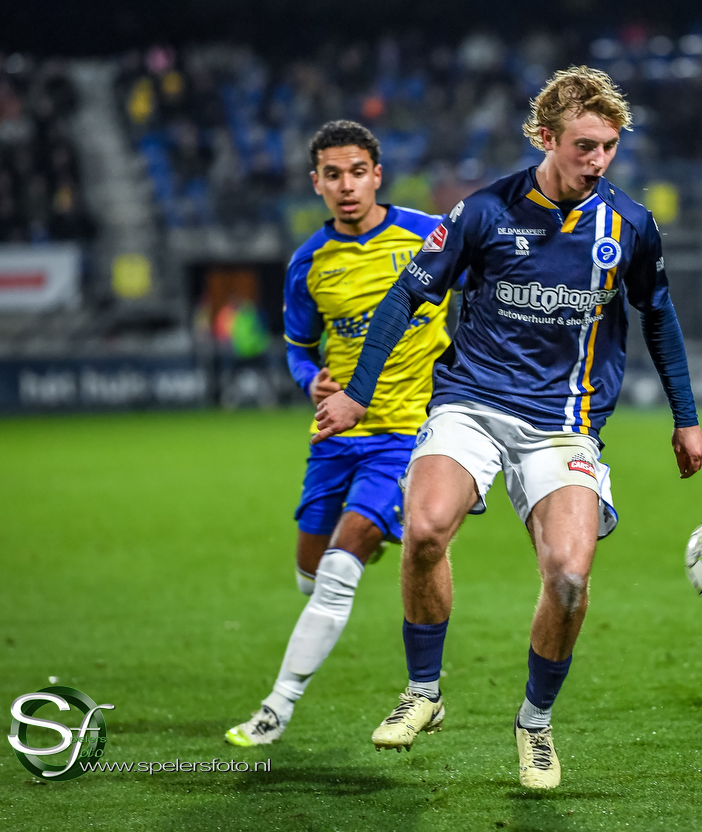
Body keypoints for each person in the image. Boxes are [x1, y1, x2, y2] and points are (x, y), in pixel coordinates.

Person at [313, 67, 702, 789]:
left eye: (609, 146)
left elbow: (660, 316)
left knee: (570, 580)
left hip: (564, 425)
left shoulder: (630, 226)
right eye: (584, 146)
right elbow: (405, 296)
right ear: (546, 137)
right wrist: (359, 396)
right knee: (424, 530)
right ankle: (424, 693)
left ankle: (534, 722)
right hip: (472, 403)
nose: (598, 160)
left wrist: (686, 417)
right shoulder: (484, 212)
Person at [224, 120, 451, 746]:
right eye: (333, 175)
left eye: (357, 172)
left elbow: (486, 288)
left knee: (336, 573)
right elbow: (299, 347)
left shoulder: (427, 236)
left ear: (377, 175)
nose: (346, 186)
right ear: (316, 183)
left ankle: (276, 709)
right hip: (335, 435)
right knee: (309, 573)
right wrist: (309, 381)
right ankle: (371, 532)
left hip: (407, 434)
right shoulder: (308, 262)